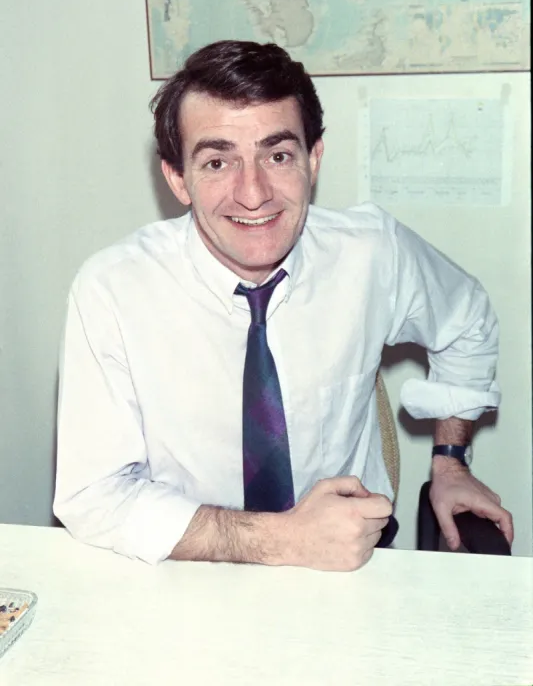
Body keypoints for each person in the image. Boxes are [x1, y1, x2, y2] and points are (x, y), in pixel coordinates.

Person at [53, 40, 513, 570]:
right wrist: (279, 540)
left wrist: (451, 462)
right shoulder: (112, 289)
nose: (253, 193)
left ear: (313, 159)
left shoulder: (371, 253)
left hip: (350, 566)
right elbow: (93, 496)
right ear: (178, 178)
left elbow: (467, 321)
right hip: (186, 569)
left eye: (277, 155)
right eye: (218, 161)